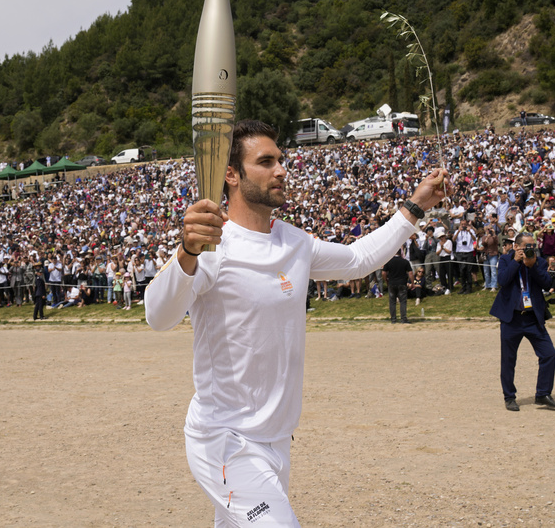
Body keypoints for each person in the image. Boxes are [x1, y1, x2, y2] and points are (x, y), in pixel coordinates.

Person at [145, 119, 449, 526]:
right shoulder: (211, 246)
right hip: (225, 441)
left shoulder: (295, 243)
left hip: (276, 441)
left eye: (281, 160)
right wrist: (186, 252)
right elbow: (159, 316)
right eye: (266, 161)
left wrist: (415, 206)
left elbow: (359, 260)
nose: (281, 170)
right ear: (231, 175)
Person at [489, 233, 555, 412]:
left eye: (533, 247)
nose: (531, 250)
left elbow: (547, 283)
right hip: (512, 318)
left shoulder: (539, 262)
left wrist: (532, 267)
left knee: (548, 353)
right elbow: (502, 281)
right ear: (516, 247)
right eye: (527, 247)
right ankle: (509, 397)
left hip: (533, 318)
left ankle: (543, 394)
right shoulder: (506, 260)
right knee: (508, 359)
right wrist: (516, 262)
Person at [382, 249, 413, 323]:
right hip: (402, 283)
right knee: (403, 302)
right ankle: (403, 319)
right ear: (401, 253)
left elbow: (383, 273)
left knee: (392, 302)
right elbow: (410, 273)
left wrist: (386, 280)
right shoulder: (405, 261)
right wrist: (413, 283)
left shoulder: (388, 261)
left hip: (392, 283)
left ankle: (393, 319)